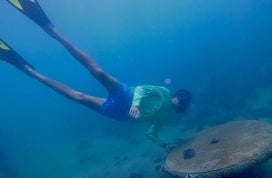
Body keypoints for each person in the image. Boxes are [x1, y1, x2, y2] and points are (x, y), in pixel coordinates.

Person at [0, 0, 191, 147]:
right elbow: (142, 89)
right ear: (177, 95)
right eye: (181, 97)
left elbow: (151, 133)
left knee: (79, 97)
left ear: (183, 106)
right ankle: (52, 31)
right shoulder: (164, 92)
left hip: (120, 113)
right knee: (97, 71)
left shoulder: (165, 120)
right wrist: (135, 105)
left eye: (183, 102)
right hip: (127, 94)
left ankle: (29, 71)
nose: (180, 101)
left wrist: (163, 145)